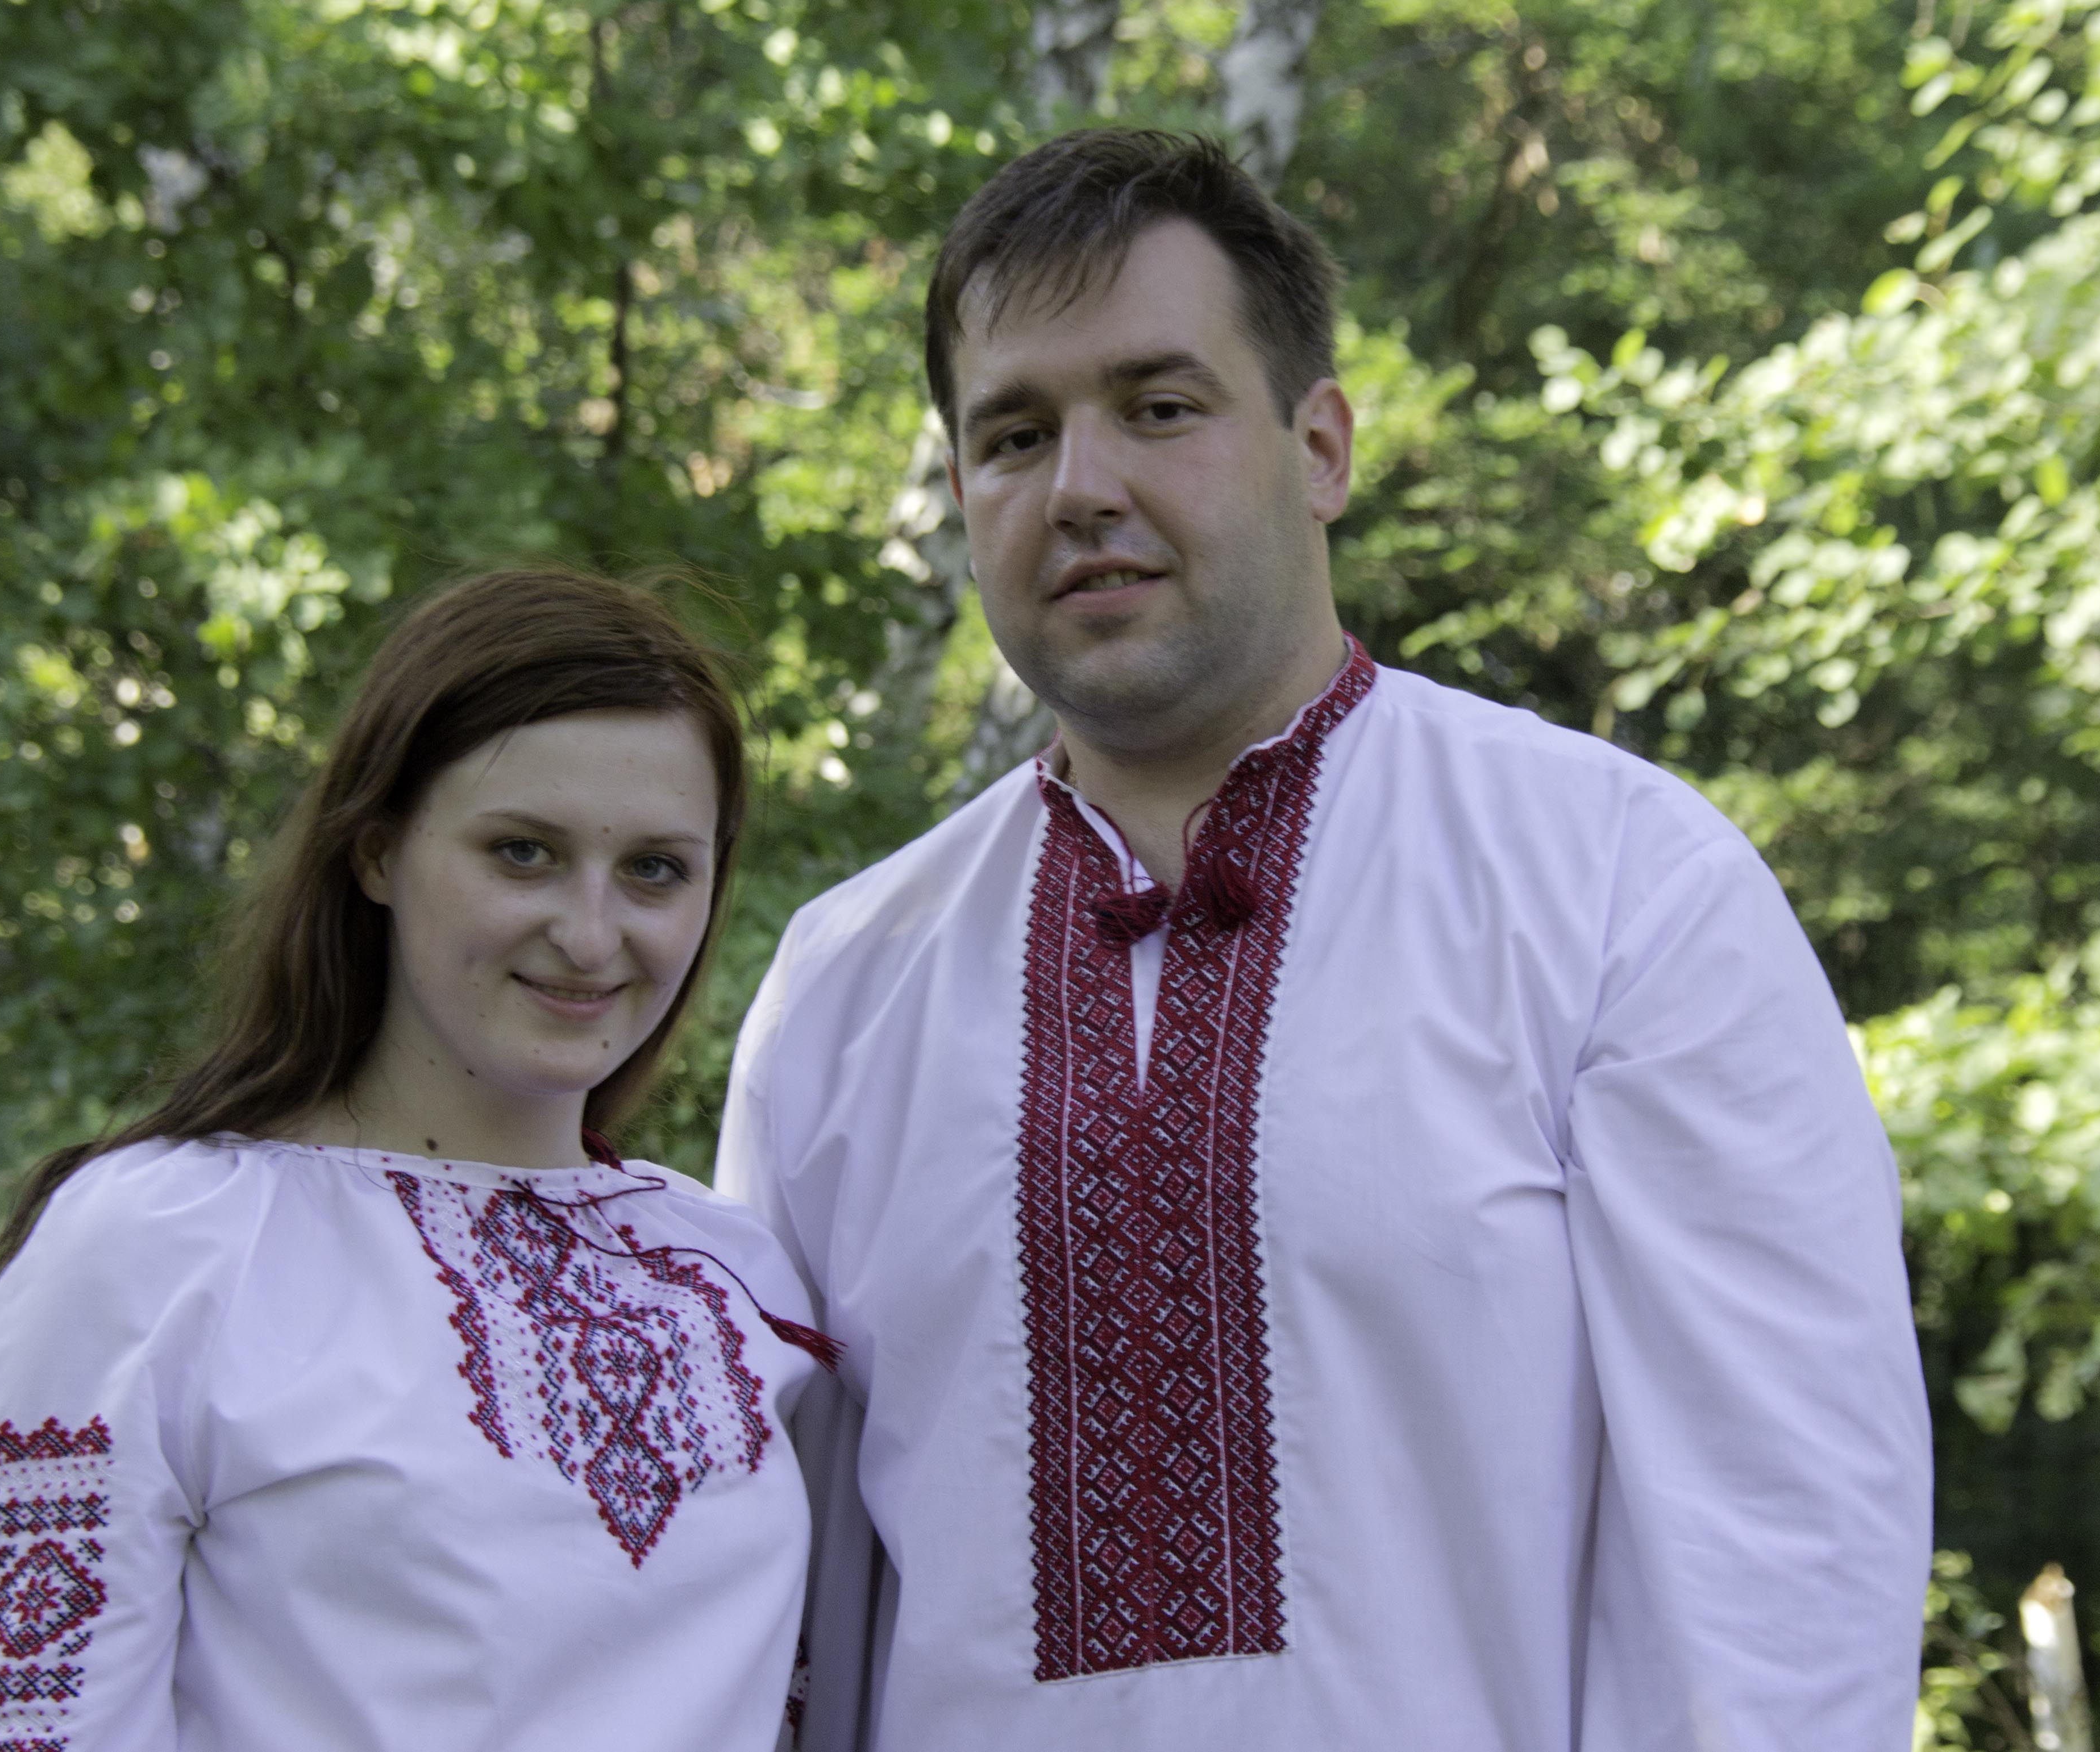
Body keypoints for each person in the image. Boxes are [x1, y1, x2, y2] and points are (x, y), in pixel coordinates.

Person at [719, 131, 1932, 1750]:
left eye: (1160, 406)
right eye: (1015, 434)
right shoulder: (842, 990)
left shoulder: (1617, 888)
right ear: (961, 497)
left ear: (1321, 448)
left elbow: (1785, 1558)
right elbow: (773, 1616)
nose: (1082, 487)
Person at [0, 567, 831, 1752]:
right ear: (376, 851)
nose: (591, 933)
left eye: (655, 868)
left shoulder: (734, 1274)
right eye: (522, 851)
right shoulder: (156, 1247)